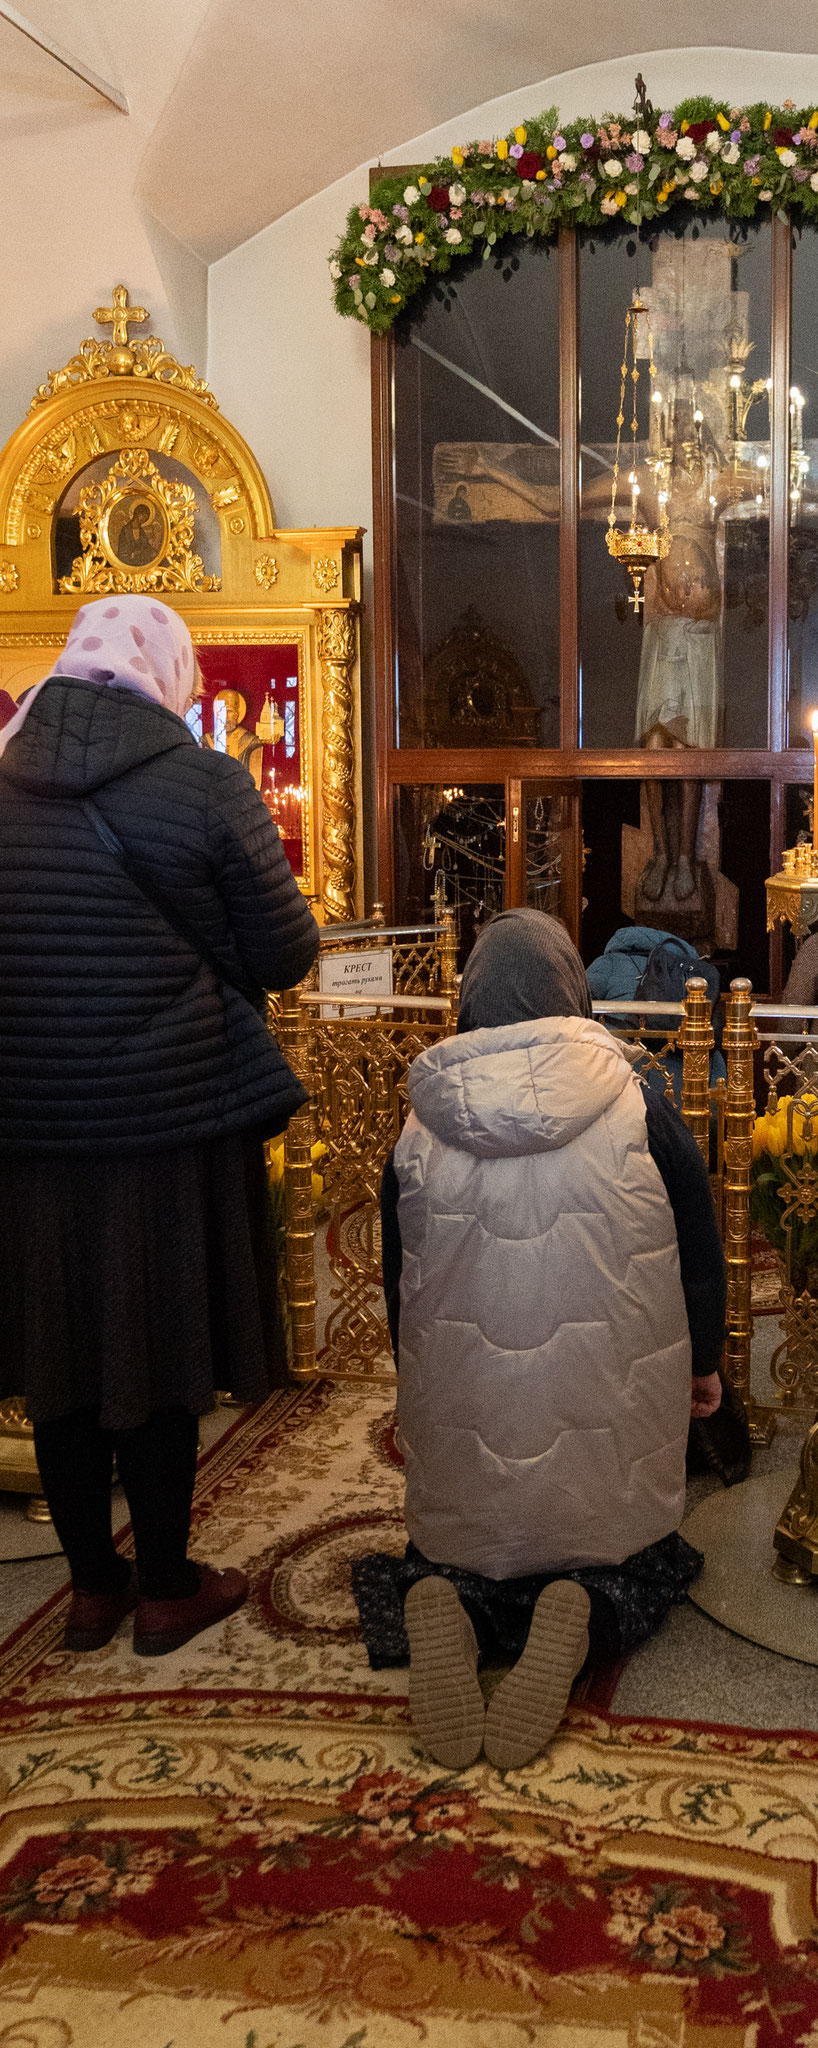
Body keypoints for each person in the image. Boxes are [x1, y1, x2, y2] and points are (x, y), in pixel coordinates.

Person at [0, 597, 319, 1655]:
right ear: (166, 672)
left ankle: (93, 1589)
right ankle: (170, 1587)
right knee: (161, 1348)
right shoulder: (205, 782)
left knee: (61, 1358)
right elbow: (284, 954)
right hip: (170, 1122)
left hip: (30, 1133)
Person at [356, 908, 726, 1772]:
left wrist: (419, 1375)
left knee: (449, 1551)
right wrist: (705, 1364)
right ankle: (583, 1609)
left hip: (466, 1431)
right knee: (640, 1558)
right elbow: (699, 1254)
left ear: (469, 998)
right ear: (572, 991)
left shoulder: (419, 1124)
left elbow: (399, 1279)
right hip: (606, 1427)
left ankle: (445, 1598)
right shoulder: (639, 1105)